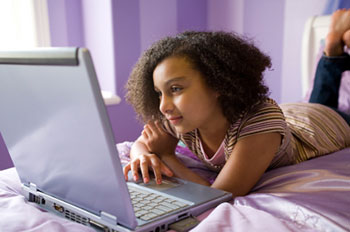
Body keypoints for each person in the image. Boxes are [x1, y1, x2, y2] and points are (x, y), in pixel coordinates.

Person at [123, 9, 350, 197]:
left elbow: (222, 194)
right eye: (159, 93)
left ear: (218, 83)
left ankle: (332, 51)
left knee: (326, 105)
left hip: (322, 126)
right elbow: (142, 144)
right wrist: (141, 155)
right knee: (316, 99)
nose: (163, 106)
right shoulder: (181, 117)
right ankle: (332, 51)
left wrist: (168, 157)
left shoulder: (261, 122)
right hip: (292, 114)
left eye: (175, 89)